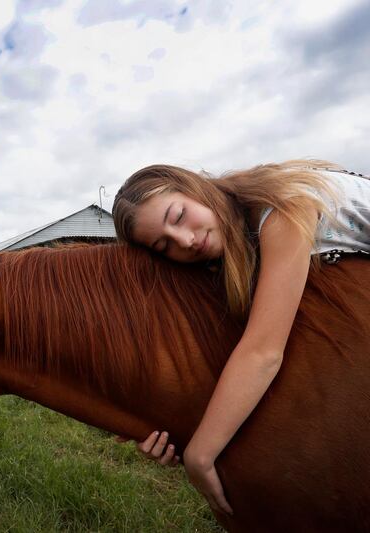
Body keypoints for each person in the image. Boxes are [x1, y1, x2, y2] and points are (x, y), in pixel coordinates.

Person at [111, 160, 370, 515]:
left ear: (195, 188)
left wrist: (200, 455)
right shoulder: (237, 241)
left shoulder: (278, 210)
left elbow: (262, 352)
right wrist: (166, 421)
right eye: (163, 245)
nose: (185, 241)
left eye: (179, 215)